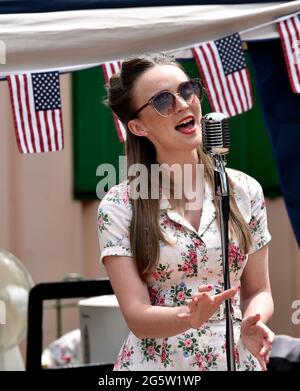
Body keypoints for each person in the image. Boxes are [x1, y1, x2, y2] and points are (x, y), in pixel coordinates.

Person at [97, 52, 274, 371]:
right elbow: (137, 316)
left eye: (187, 90)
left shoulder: (245, 191)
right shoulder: (120, 204)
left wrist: (252, 321)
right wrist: (189, 317)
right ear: (137, 126)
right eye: (163, 100)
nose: (182, 103)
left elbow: (258, 289)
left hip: (235, 360)